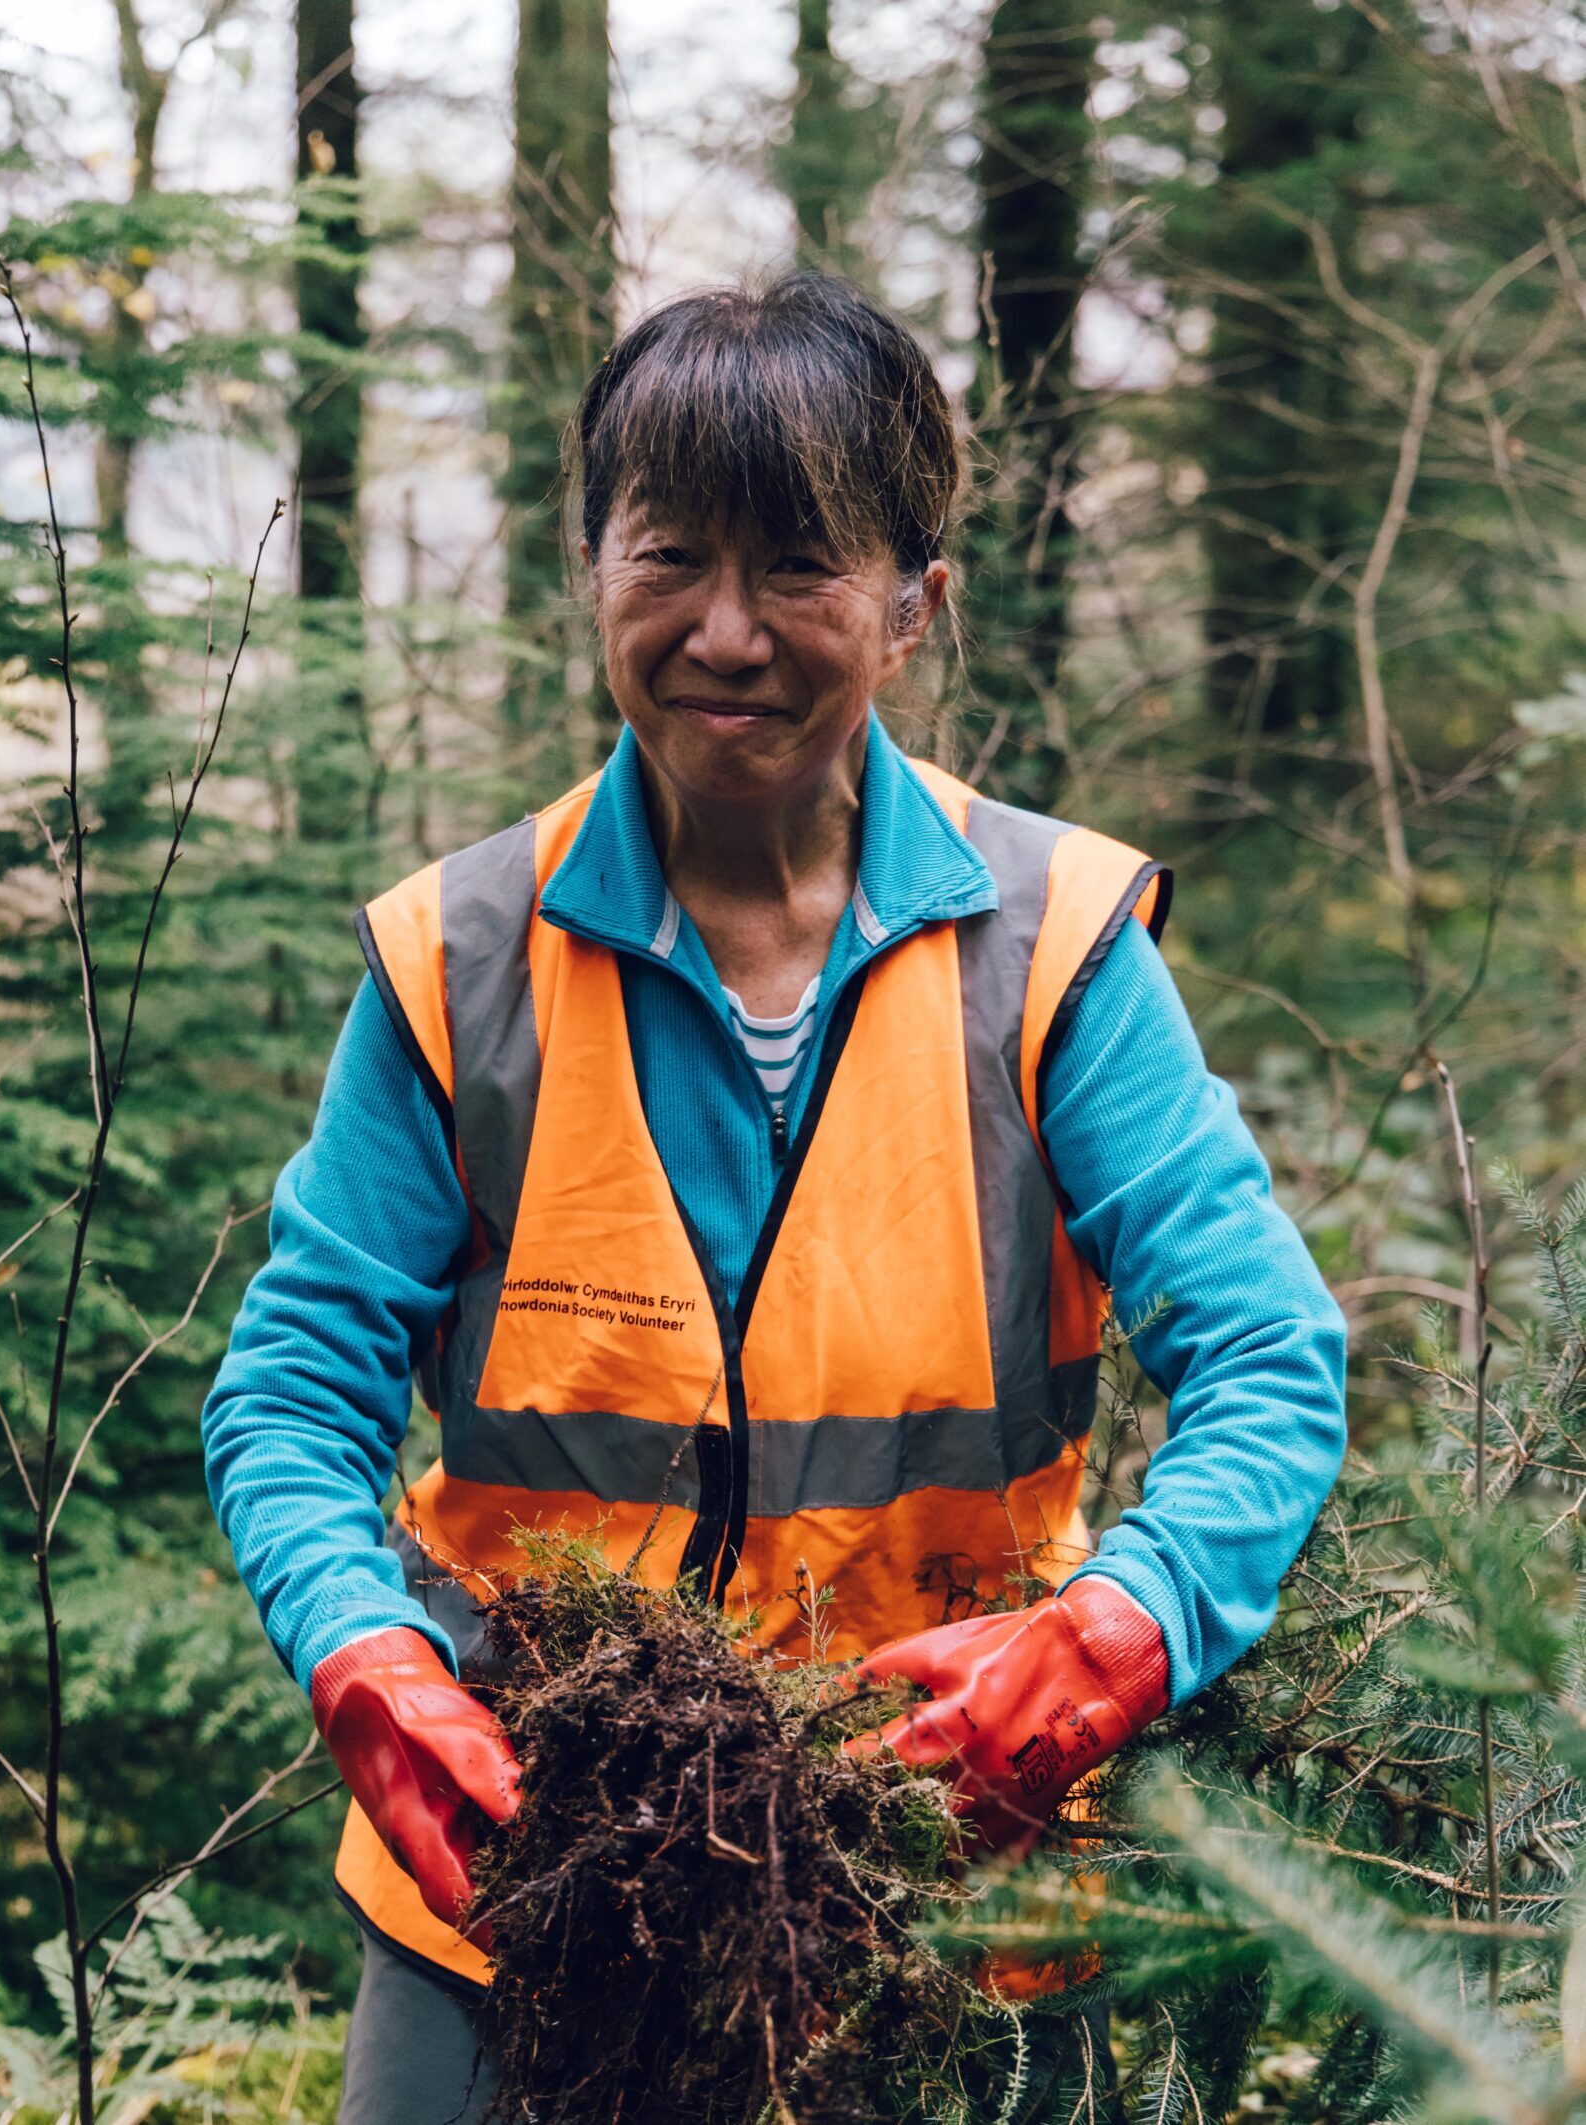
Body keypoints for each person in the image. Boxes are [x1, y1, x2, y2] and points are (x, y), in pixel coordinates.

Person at [202, 271, 1347, 2125]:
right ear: (592, 571)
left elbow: (1269, 1359)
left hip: (944, 1889)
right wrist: (365, 1654)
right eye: (668, 557)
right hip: (517, 1888)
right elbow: (292, 1387)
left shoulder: (1050, 953)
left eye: (799, 564)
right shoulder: (459, 958)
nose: (724, 631)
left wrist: (1108, 1635)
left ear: (914, 604)